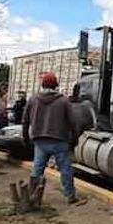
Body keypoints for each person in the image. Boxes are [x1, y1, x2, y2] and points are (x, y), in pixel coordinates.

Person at [23, 72, 82, 204]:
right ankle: (69, 196)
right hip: (60, 140)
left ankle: (33, 197)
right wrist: (74, 139)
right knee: (65, 169)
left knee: (37, 170)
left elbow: (25, 121)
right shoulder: (63, 101)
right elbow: (73, 122)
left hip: (40, 140)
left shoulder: (33, 99)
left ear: (42, 85)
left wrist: (26, 138)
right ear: (56, 86)